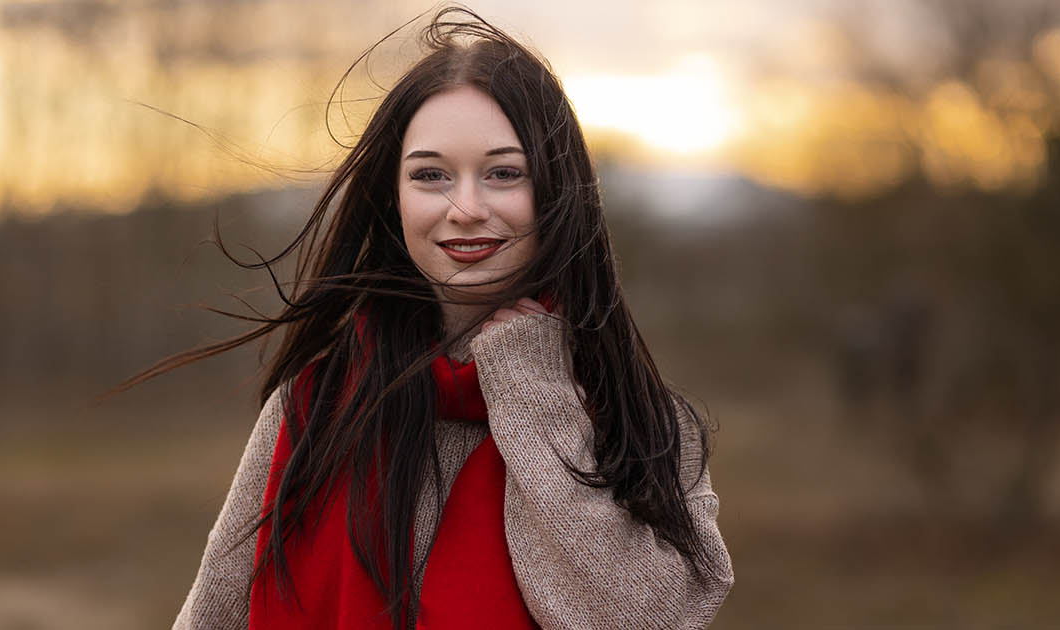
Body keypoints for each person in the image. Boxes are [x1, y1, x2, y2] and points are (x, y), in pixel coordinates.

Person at [126, 7, 733, 629]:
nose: (465, 207)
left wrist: (531, 390)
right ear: (396, 197)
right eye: (430, 175)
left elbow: (642, 621)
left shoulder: (637, 420)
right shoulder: (314, 408)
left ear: (556, 191)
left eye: (503, 173)